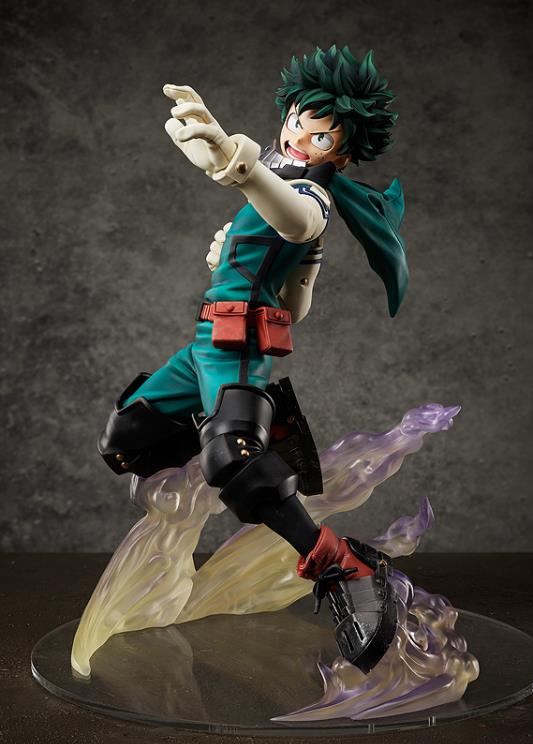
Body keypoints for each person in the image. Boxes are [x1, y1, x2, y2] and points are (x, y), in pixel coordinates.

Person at [98, 46, 409, 673]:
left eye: (320, 136)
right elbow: (297, 304)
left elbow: (296, 219)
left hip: (239, 347)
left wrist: (236, 165)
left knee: (232, 459)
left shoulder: (310, 196)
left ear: (342, 153)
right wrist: (236, 247)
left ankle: (341, 564)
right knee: (126, 440)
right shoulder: (274, 180)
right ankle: (235, 448)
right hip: (205, 343)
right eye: (295, 120)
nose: (297, 137)